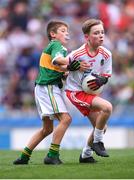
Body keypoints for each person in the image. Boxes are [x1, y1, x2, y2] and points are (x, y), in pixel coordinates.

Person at [13, 20, 81, 165]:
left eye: (67, 30)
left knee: (47, 128)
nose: (66, 33)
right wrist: (71, 64)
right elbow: (57, 61)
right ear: (53, 34)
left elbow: (57, 67)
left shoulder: (53, 47)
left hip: (43, 87)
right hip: (48, 87)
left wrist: (67, 70)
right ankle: (52, 155)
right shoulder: (57, 46)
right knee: (66, 119)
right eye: (63, 30)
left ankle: (24, 157)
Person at [65, 18, 113, 163]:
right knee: (107, 107)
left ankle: (85, 154)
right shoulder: (77, 54)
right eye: (96, 33)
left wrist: (101, 80)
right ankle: (98, 142)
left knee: (101, 126)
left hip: (90, 93)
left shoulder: (106, 54)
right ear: (87, 37)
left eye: (102, 32)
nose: (101, 35)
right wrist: (69, 67)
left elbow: (106, 75)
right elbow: (60, 67)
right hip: (75, 92)